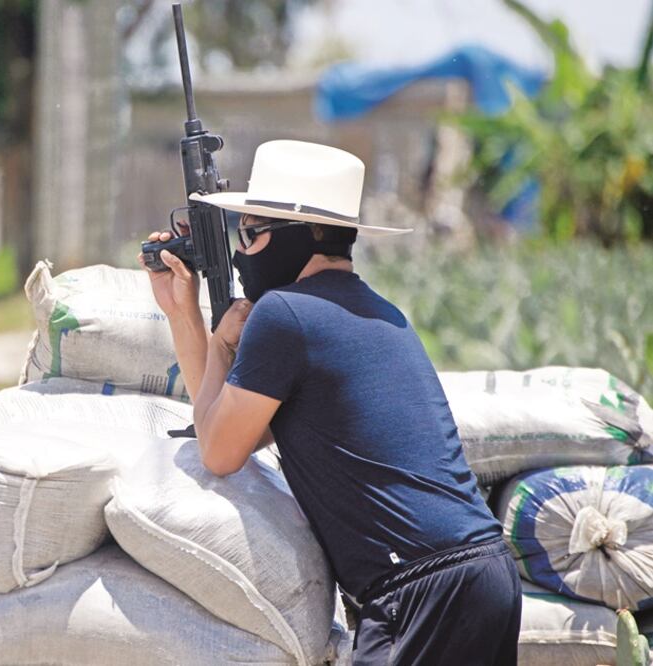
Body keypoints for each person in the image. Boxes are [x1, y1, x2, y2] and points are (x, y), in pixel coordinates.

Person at [139, 140, 521, 665]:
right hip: (481, 573)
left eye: (250, 234)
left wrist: (224, 343)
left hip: (420, 588)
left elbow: (219, 452)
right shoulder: (372, 311)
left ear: (308, 235)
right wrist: (184, 314)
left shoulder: (285, 314)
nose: (240, 253)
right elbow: (237, 424)